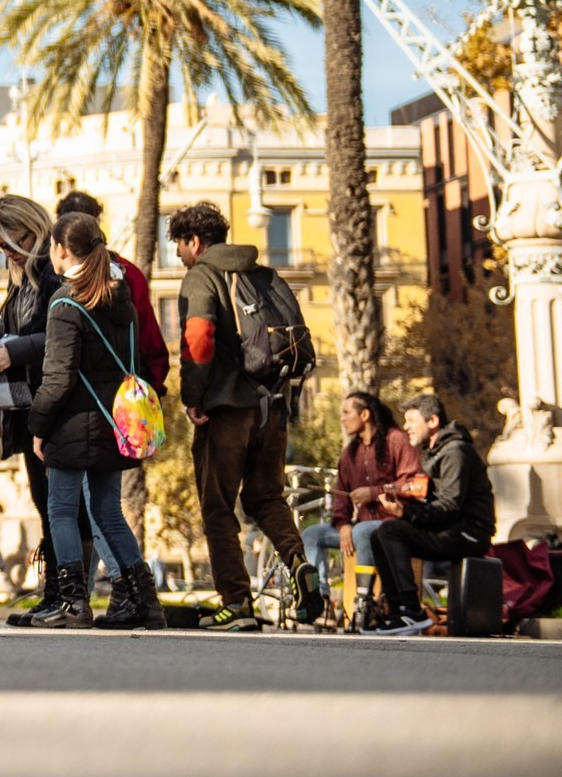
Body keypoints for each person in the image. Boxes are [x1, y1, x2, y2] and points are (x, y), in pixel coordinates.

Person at [169, 201, 317, 630]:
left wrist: (192, 395)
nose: (179, 255)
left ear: (195, 241)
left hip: (228, 409)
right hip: (274, 407)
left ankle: (236, 604)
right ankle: (299, 563)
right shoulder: (265, 275)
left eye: (180, 245)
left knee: (218, 507)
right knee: (266, 497)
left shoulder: (203, 276)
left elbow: (198, 337)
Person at [23, 214, 165, 629]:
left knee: (61, 511)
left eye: (52, 246)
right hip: (115, 422)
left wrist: (38, 425)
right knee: (109, 512)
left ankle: (71, 603)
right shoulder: (120, 297)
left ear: (62, 250)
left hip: (72, 424)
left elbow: (58, 376)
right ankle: (144, 601)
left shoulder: (66, 302)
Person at [0, 195, 85, 626]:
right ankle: (56, 594)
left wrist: (13, 349)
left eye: (9, 242)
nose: (5, 252)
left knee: (60, 505)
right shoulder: (21, 278)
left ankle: (66, 596)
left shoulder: (51, 273)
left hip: (53, 402)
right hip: (29, 404)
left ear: (31, 230)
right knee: (47, 502)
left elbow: (63, 335)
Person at [368, 394, 495, 635]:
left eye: (411, 420)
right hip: (450, 528)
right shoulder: (434, 452)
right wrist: (406, 504)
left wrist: (405, 512)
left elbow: (450, 506)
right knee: (378, 535)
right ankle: (397, 611)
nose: (406, 427)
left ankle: (412, 611)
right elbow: (435, 503)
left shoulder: (456, 451)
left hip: (469, 533)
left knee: (390, 530)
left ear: (433, 421)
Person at [307, 389, 425, 621]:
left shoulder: (396, 440)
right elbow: (341, 498)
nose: (342, 418)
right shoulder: (348, 454)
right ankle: (321, 601)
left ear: (365, 415)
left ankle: (364, 602)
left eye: (346, 412)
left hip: (392, 525)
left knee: (362, 531)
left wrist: (374, 493)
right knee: (312, 535)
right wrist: (342, 526)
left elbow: (413, 483)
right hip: (358, 526)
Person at [53, 192, 170, 387]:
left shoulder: (56, 285)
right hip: (129, 393)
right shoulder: (129, 272)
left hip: (79, 397)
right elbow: (150, 342)